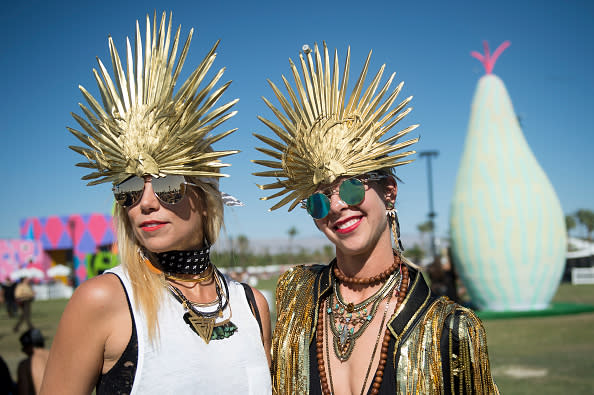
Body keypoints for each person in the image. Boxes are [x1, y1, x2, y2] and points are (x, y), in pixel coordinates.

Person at [41, 12, 271, 394]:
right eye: (129, 188)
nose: (145, 203)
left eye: (166, 184)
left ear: (205, 191)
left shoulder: (253, 306)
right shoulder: (103, 301)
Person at [253, 43, 499, 394]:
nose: (336, 207)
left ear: (389, 192)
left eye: (351, 188)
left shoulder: (449, 330)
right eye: (319, 201)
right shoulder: (296, 299)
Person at [17, 328, 49, 395]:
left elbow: (24, 391)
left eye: (24, 348)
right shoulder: (55, 356)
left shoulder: (25, 365)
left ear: (30, 346)